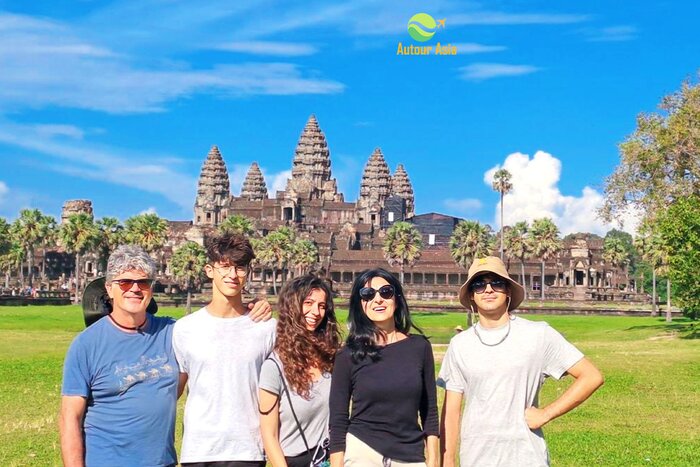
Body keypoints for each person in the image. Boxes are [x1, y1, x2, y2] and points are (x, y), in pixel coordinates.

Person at [438, 256, 604, 467]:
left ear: (507, 291)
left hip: (526, 456)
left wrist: (546, 413)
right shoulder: (460, 344)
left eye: (496, 283)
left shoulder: (538, 334)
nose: (488, 289)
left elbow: (591, 376)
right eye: (479, 285)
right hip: (476, 457)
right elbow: (451, 411)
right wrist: (448, 461)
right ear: (471, 295)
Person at [59, 244, 179, 467]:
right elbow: (70, 418)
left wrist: (253, 308)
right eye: (124, 282)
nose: (134, 288)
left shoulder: (172, 333)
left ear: (151, 289)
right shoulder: (86, 344)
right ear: (109, 289)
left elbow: (217, 325)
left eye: (143, 282)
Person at [173, 232, 277, 466]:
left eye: (240, 268)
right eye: (225, 266)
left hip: (248, 449)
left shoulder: (267, 328)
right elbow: (172, 393)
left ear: (247, 273)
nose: (233, 275)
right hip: (199, 450)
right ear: (210, 270)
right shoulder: (184, 329)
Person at [329, 268, 439, 467]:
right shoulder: (348, 354)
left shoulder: (419, 347)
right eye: (368, 294)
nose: (378, 299)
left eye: (386, 292)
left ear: (396, 299)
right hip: (362, 452)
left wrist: (433, 460)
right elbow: (338, 418)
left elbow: (429, 411)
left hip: (410, 455)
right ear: (360, 303)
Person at [259, 275, 342, 467]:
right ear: (293, 306)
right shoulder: (274, 367)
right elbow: (269, 435)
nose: (316, 312)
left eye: (322, 306)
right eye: (309, 303)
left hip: (330, 458)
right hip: (294, 460)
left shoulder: (331, 359)